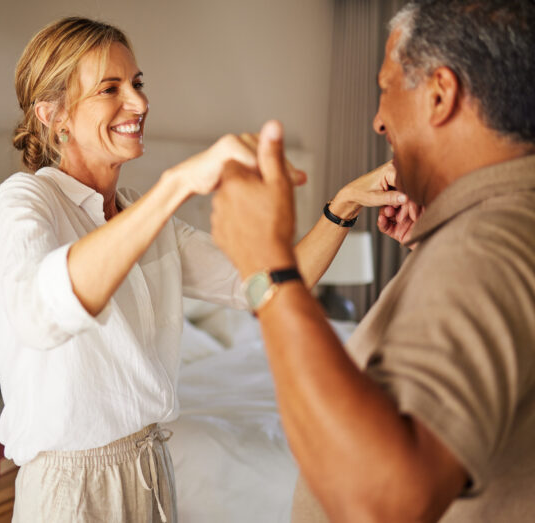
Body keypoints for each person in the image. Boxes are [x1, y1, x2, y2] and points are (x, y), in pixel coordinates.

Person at [0, 17, 406, 523]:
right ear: (54, 114)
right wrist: (177, 185)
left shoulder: (142, 212)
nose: (139, 104)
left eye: (138, 84)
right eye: (111, 89)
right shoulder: (27, 200)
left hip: (152, 470)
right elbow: (39, 311)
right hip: (72, 490)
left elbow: (260, 285)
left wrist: (344, 203)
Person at [210, 1, 535, 521]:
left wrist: (267, 266)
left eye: (386, 88)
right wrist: (434, 258)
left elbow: (384, 502)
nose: (379, 121)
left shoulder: (483, 245)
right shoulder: (504, 228)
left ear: (439, 95)